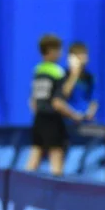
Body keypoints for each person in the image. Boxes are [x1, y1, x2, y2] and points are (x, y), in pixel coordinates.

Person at [25, 34, 84, 176]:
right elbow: (60, 100)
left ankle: (18, 192)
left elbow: (32, 102)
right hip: (52, 120)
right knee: (56, 161)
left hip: (39, 119)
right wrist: (75, 74)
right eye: (59, 50)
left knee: (33, 160)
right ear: (51, 51)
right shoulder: (57, 71)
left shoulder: (38, 70)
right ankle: (57, 195)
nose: (61, 54)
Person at [62, 42, 99, 122]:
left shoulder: (90, 77)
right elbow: (64, 95)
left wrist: (90, 113)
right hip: (68, 120)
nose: (81, 60)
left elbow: (94, 100)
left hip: (85, 120)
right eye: (78, 57)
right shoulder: (63, 74)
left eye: (84, 55)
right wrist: (74, 74)